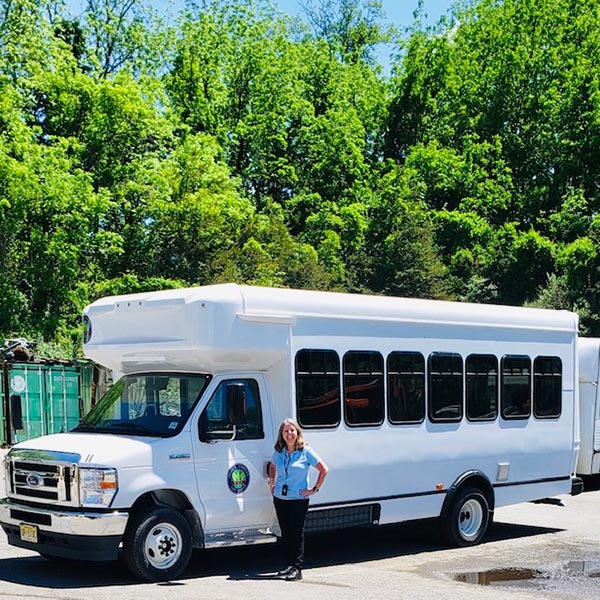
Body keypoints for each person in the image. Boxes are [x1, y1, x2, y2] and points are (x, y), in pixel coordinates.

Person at [269, 418, 328, 581]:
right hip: (280, 498)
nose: (289, 434)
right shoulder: (279, 451)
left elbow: (324, 469)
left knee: (296, 533)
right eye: (286, 431)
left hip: (298, 499)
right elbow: (272, 466)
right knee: (286, 533)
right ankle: (288, 565)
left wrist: (314, 489)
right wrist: (272, 483)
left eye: (292, 430)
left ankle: (297, 568)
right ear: (282, 434)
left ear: (297, 433)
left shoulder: (305, 451)